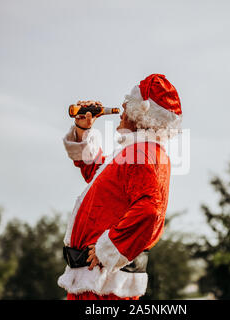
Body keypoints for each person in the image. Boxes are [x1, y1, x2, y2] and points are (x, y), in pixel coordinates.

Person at [58, 74, 182, 300]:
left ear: (140, 114)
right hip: (96, 281)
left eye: (129, 104)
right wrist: (83, 130)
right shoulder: (135, 152)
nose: (122, 107)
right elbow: (94, 173)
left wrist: (108, 249)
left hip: (104, 285)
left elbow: (150, 211)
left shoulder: (142, 154)